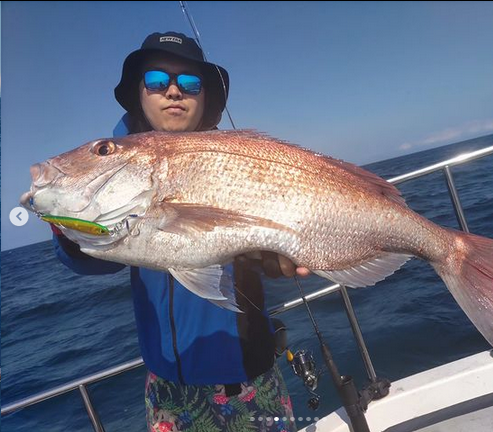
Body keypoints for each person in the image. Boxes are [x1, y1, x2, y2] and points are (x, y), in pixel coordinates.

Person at [51, 31, 307, 432]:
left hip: (247, 376)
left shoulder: (240, 161)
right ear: (139, 93)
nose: (173, 91)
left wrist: (278, 263)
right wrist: (69, 231)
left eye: (189, 83)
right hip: (166, 385)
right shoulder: (116, 168)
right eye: (157, 80)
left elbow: (273, 243)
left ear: (206, 97)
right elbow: (96, 260)